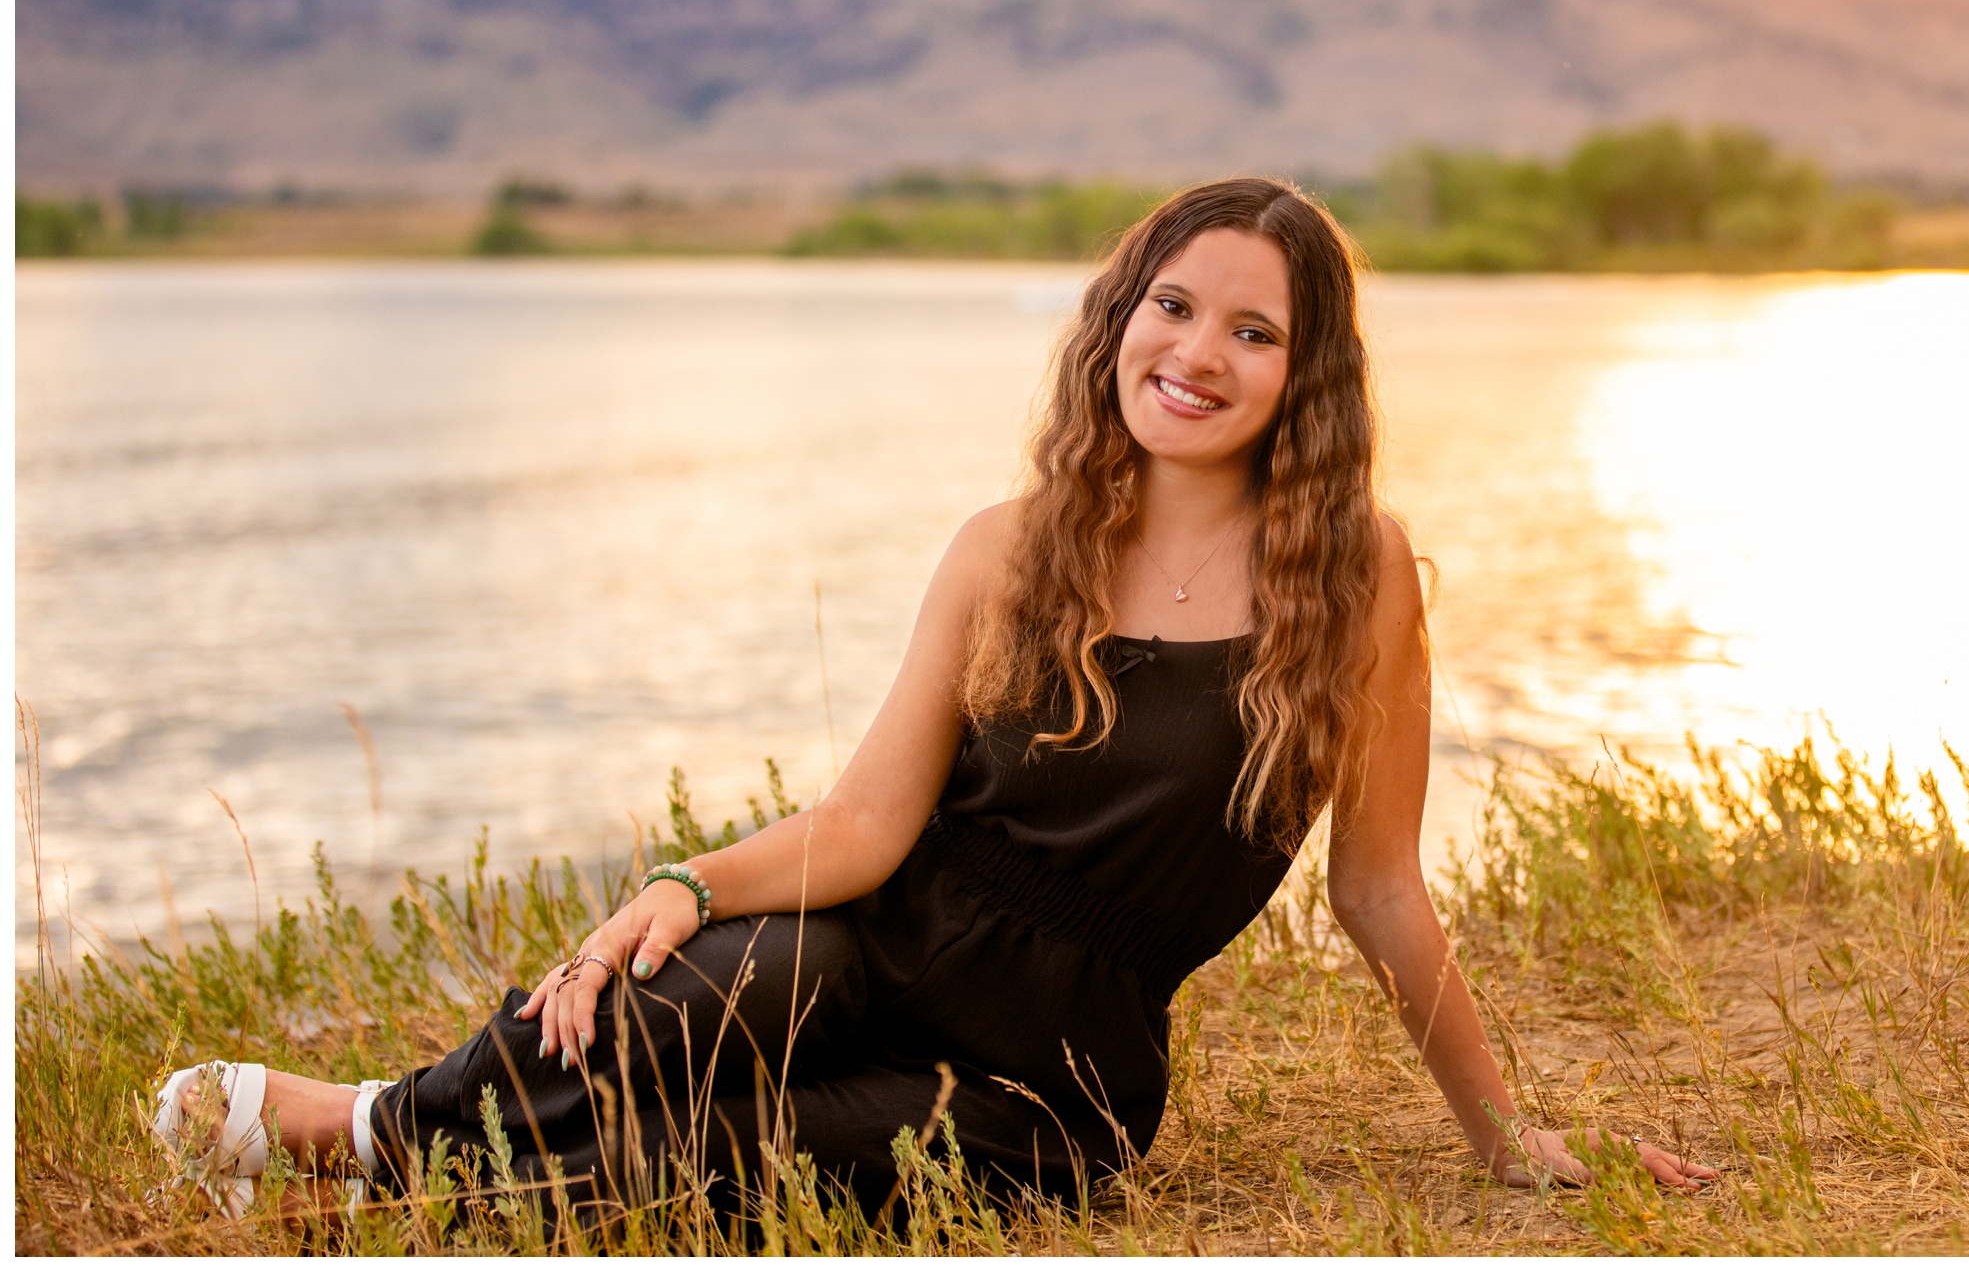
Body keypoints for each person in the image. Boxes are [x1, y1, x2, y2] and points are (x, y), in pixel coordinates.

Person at [153, 177, 1717, 1220]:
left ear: (1306, 379)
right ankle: (377, 1129)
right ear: (1121, 318)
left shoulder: (1361, 579)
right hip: (882, 937)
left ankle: (369, 1175)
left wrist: (1510, 1141)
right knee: (640, 1008)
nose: (1199, 351)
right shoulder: (1009, 548)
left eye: (1255, 331)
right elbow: (869, 820)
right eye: (1174, 305)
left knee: (716, 1161)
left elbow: (1379, 886)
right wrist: (684, 884)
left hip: (1055, 1070)